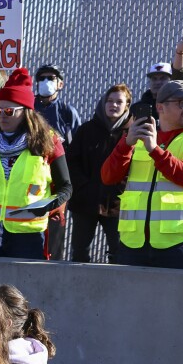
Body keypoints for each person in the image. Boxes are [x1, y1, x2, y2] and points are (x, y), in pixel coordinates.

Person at [0, 68, 71, 261]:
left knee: (20, 290)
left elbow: (66, 187)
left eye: (9, 111)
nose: (2, 115)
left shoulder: (49, 143)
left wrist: (47, 206)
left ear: (26, 112)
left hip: (27, 235)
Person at [100, 79, 183, 270]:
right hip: (132, 245)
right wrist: (125, 144)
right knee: (129, 300)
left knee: (177, 301)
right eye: (182, 102)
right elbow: (108, 177)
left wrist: (154, 150)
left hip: (178, 245)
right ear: (160, 107)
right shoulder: (136, 136)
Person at [68, 84, 131, 263]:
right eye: (110, 101)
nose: (114, 105)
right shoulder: (86, 130)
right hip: (85, 201)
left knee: (119, 251)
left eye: (119, 102)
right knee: (80, 251)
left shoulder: (132, 132)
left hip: (118, 203)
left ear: (127, 105)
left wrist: (120, 189)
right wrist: (84, 186)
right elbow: (72, 161)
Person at [32, 64, 81, 144]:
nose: (46, 81)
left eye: (51, 78)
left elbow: (78, 141)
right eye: (42, 78)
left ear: (60, 84)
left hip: (60, 155)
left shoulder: (67, 111)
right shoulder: (29, 108)